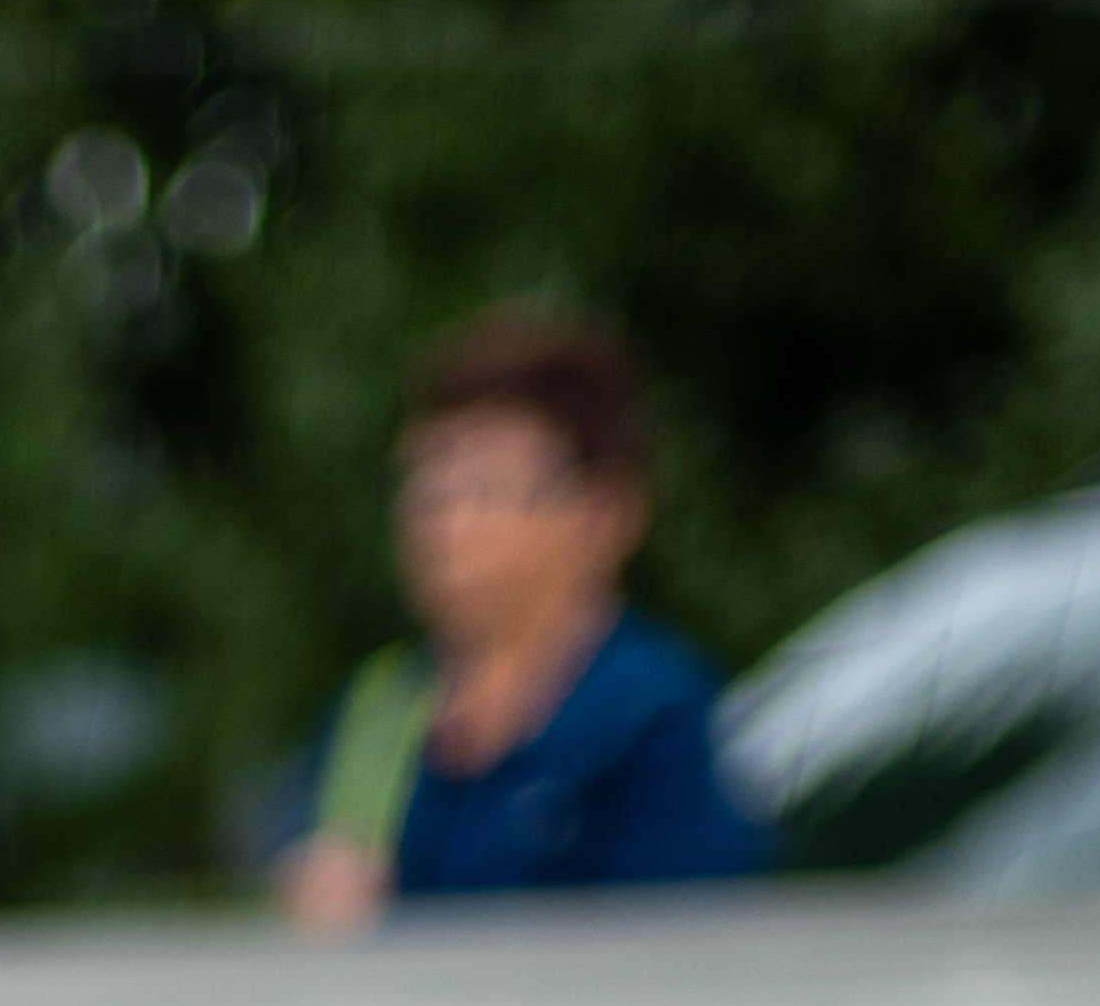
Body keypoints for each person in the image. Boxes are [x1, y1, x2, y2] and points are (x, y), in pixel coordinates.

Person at [273, 306, 765, 926]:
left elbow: (682, 969)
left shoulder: (654, 717)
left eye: (482, 488)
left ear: (602, 513)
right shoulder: (377, 712)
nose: (441, 524)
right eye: (423, 488)